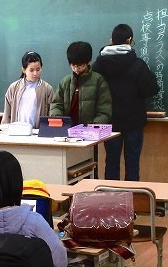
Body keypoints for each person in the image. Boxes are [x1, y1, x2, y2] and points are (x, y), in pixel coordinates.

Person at [92, 24, 159, 181]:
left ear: (111, 40)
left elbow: (92, 90)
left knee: (111, 162)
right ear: (129, 40)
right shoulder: (138, 65)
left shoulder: (98, 65)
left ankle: (110, 195)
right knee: (132, 163)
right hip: (133, 121)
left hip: (109, 122)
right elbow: (152, 89)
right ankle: (132, 195)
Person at [49, 41, 112, 125]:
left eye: (80, 65)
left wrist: (93, 126)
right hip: (67, 128)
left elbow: (104, 111)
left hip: (90, 130)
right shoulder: (65, 82)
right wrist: (58, 119)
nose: (76, 69)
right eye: (73, 65)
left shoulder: (99, 81)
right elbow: (56, 105)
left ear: (88, 61)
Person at [1, 51, 55, 127]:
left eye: (38, 69)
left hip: (37, 131)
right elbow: (6, 115)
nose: (35, 73)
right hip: (16, 131)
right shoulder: (13, 88)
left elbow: (52, 114)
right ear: (24, 70)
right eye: (31, 70)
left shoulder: (47, 89)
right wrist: (5, 129)